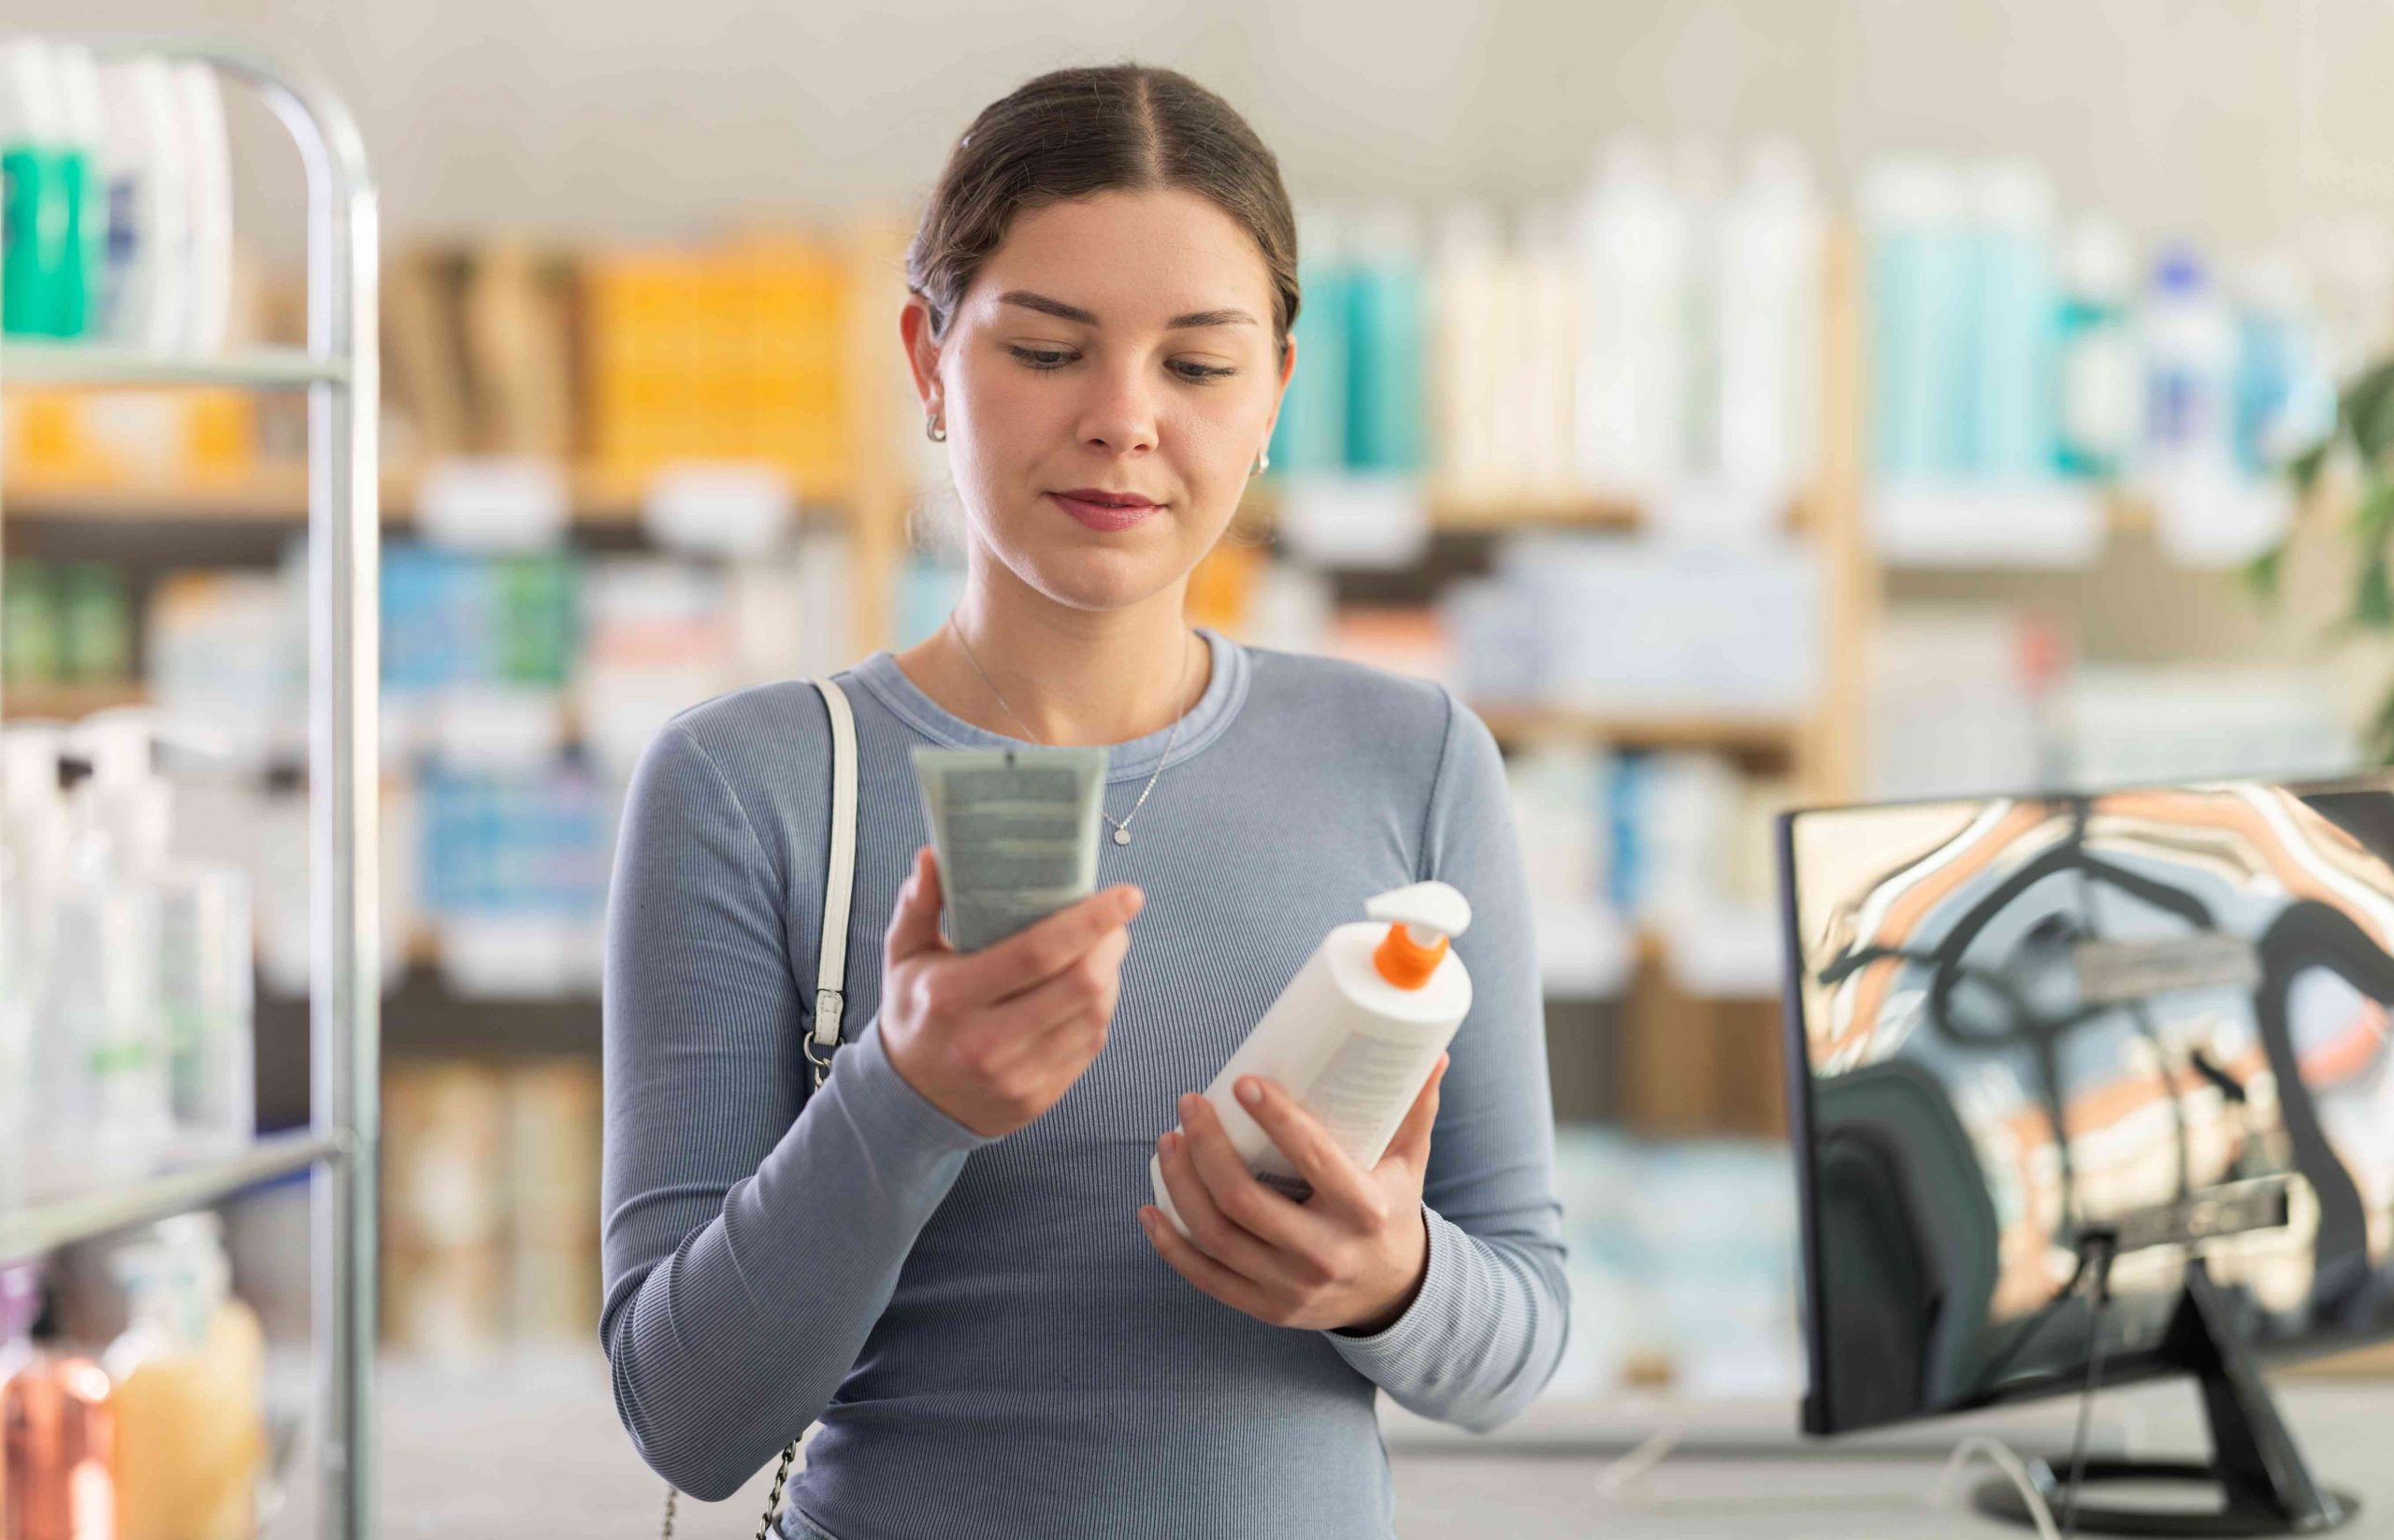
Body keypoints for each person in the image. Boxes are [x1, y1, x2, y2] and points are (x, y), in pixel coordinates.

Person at [600, 61, 1567, 1540]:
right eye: (1050, 349)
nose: (1124, 420)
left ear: (1277, 392)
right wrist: (905, 1099)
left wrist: (1394, 1281)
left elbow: (1521, 1335)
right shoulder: (755, 785)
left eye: (1196, 366)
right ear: (929, 357)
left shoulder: (1413, 757)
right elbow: (690, 1418)